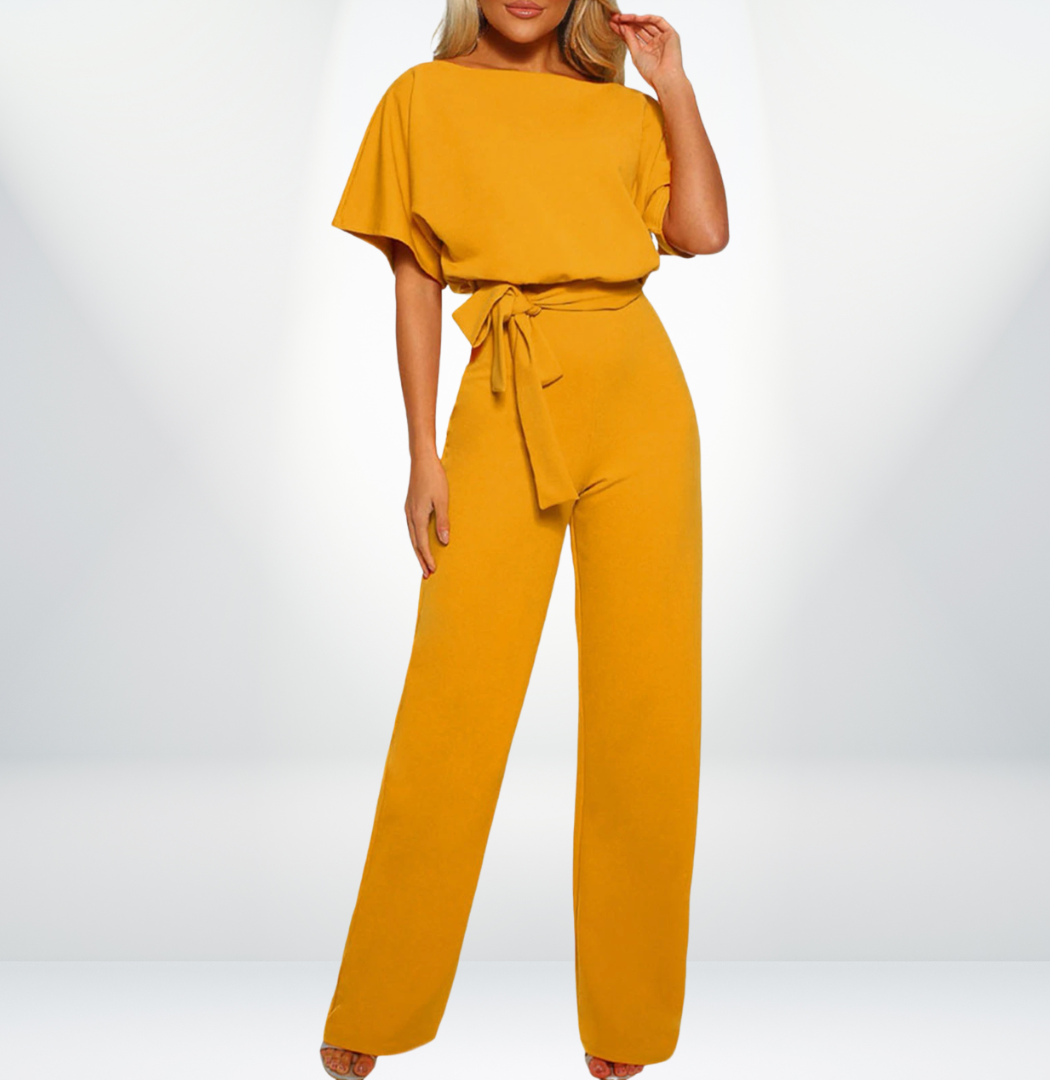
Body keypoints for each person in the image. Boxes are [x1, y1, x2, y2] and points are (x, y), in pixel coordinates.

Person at [319, 1, 728, 1077]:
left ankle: (630, 1021)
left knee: (648, 710)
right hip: (504, 394)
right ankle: (377, 1003)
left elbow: (700, 234)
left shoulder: (624, 112)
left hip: (640, 400)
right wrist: (423, 452)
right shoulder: (422, 98)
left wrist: (674, 88)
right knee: (453, 702)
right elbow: (414, 278)